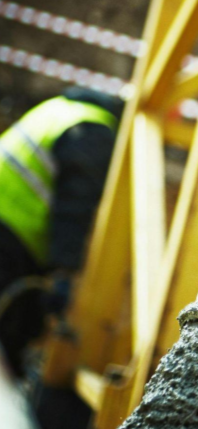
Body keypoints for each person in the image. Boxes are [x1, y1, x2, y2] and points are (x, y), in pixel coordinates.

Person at [0, 86, 122, 377]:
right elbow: (73, 209)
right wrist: (63, 272)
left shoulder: (59, 109)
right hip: (11, 235)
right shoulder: (94, 130)